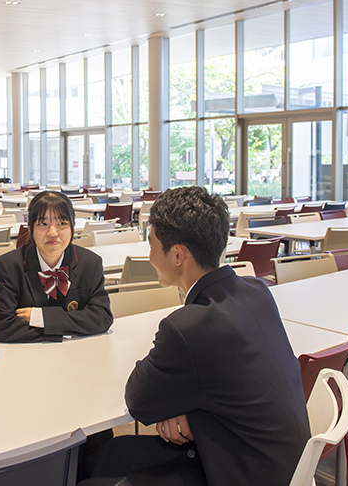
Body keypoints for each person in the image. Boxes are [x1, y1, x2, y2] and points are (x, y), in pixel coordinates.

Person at [86, 186, 309, 486]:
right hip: (280, 464)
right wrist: (185, 407)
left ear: (178, 255)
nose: (149, 255)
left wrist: (177, 405)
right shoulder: (256, 291)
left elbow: (137, 399)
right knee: (116, 453)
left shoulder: (188, 327)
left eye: (151, 244)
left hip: (237, 471)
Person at [0, 190, 113, 343]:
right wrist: (66, 328)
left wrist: (41, 318)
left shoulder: (90, 263)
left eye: (62, 224)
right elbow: (3, 328)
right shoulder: (10, 265)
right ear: (30, 228)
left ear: (72, 227)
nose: (52, 233)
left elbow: (102, 317)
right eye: (43, 224)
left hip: (74, 352)